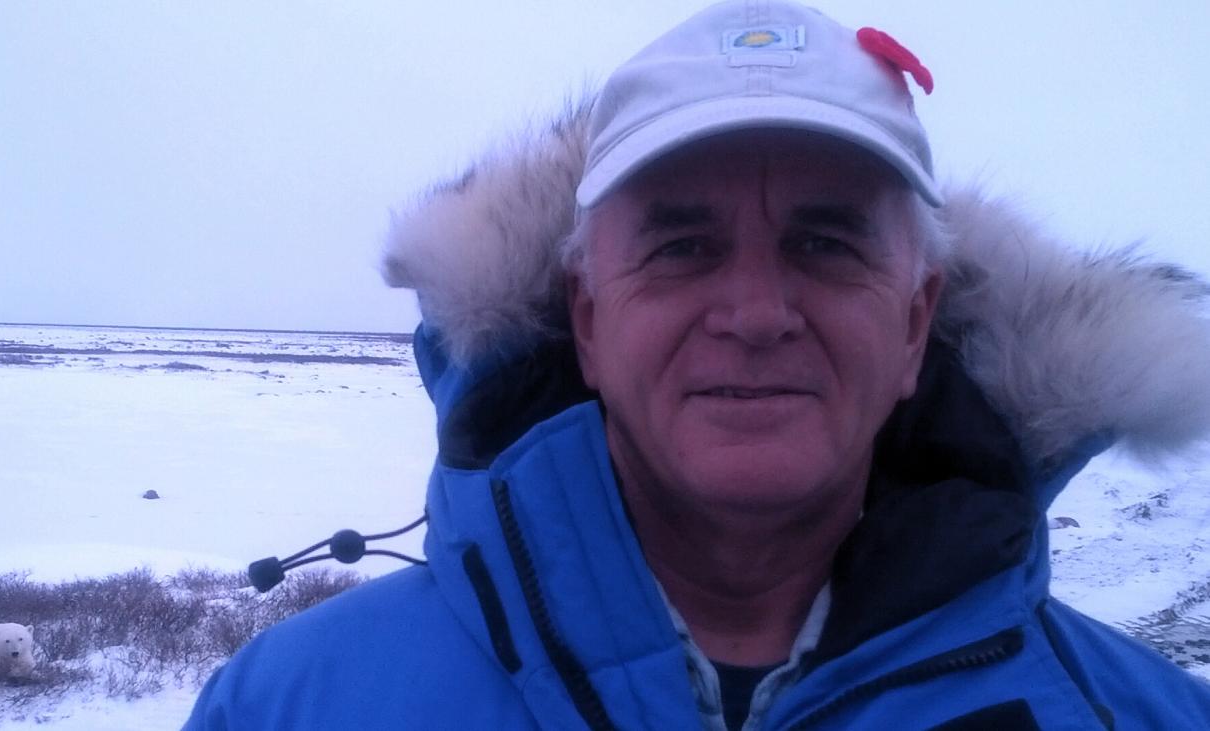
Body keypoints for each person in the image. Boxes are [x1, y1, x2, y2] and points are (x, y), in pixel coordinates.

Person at [186, 1, 1210, 728]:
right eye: (681, 245)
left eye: (825, 243)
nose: (757, 313)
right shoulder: (289, 704)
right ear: (586, 318)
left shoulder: (1135, 713)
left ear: (914, 324)